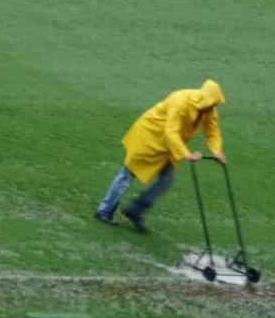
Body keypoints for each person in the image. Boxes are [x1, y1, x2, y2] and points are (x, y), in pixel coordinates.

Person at [94, 79, 226, 233]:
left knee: (167, 179)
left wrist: (217, 151)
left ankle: (135, 210)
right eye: (212, 104)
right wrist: (187, 154)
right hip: (149, 137)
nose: (213, 108)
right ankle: (104, 210)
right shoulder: (181, 101)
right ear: (205, 99)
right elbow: (171, 132)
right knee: (127, 174)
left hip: (169, 147)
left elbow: (212, 132)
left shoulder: (208, 110)